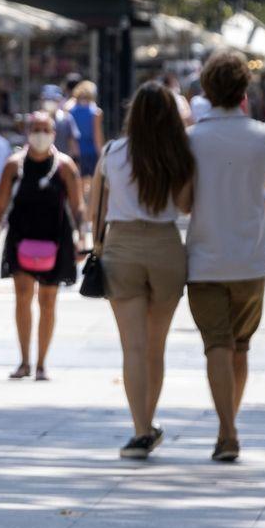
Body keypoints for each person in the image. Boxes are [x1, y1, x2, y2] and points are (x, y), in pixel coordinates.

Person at [89, 81, 194, 459]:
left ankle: (139, 431)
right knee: (156, 346)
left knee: (131, 346)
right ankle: (149, 422)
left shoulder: (113, 152)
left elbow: (94, 210)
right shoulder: (179, 155)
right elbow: (185, 207)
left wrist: (95, 243)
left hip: (122, 247)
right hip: (166, 247)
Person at [186, 49, 265, 463]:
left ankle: (227, 430)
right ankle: (229, 426)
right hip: (251, 258)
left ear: (206, 90)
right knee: (239, 346)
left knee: (216, 346)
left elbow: (183, 200)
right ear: (245, 89)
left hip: (205, 257)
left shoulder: (191, 139)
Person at [0, 111, 84, 381]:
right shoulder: (14, 165)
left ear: (53, 132)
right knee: (23, 296)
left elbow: (78, 206)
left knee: (48, 300)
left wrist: (82, 240)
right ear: (28, 132)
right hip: (21, 235)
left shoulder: (64, 166)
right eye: (35, 128)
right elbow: (0, 205)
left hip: (56, 237)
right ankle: (24, 361)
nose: (40, 133)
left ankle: (41, 364)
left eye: (45, 129)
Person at [68, 80, 103, 204]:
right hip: (92, 151)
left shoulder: (70, 111)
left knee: (80, 182)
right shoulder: (96, 112)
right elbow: (97, 135)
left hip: (77, 151)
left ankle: (83, 209)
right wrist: (101, 154)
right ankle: (90, 210)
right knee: (93, 183)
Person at [40, 84, 81, 157]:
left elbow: (73, 144)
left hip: (62, 163)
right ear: (42, 100)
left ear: (59, 100)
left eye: (53, 99)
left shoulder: (66, 118)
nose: (50, 102)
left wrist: (75, 160)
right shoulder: (36, 120)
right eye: (48, 99)